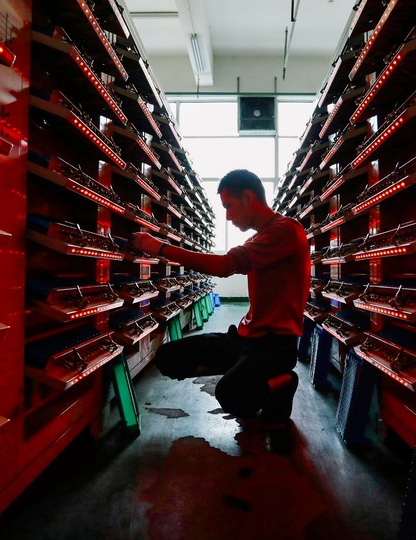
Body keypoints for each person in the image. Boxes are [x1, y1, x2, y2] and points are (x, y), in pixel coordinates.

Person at [131, 169, 310, 427]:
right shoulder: (257, 238)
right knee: (169, 357)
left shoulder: (286, 231)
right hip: (244, 339)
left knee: (231, 397)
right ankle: (245, 373)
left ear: (248, 197)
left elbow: (225, 266)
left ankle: (283, 382)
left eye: (229, 205)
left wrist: (158, 246)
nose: (227, 216)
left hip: (276, 345)